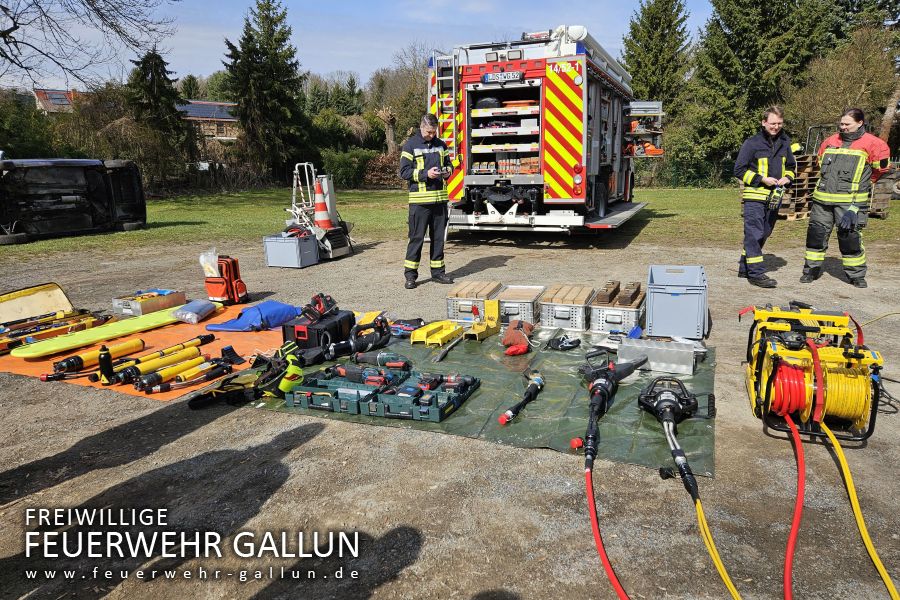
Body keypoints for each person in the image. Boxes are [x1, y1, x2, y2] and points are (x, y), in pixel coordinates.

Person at [801, 108, 891, 288]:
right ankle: (811, 271)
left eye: (847, 124)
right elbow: (820, 163)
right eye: (841, 124)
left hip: (850, 203)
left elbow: (880, 170)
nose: (843, 128)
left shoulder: (875, 144)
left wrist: (859, 196)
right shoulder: (829, 141)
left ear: (860, 123)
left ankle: (856, 275)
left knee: (850, 238)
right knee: (816, 236)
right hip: (822, 201)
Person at [733, 106, 797, 288]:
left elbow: (792, 167)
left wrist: (788, 178)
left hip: (775, 197)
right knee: (754, 233)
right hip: (755, 196)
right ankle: (756, 273)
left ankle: (745, 267)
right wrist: (762, 180)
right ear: (763, 122)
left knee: (765, 233)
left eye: (779, 123)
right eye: (772, 123)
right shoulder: (752, 143)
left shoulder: (785, 143)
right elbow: (738, 170)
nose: (776, 127)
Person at [398, 113, 454, 289]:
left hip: (439, 202)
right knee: (417, 239)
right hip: (420, 203)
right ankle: (410, 276)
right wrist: (425, 175)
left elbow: (449, 165)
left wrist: (447, 172)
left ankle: (438, 273)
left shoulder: (441, 145)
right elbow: (404, 172)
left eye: (434, 132)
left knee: (438, 240)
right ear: (421, 127)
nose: (432, 135)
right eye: (429, 132)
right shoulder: (410, 146)